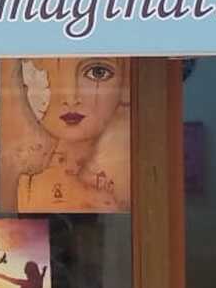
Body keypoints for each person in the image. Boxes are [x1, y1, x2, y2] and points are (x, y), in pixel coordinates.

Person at [14, 57, 130, 212]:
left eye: (98, 72)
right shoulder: (27, 189)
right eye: (45, 73)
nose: (70, 98)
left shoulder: (125, 180)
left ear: (125, 86)